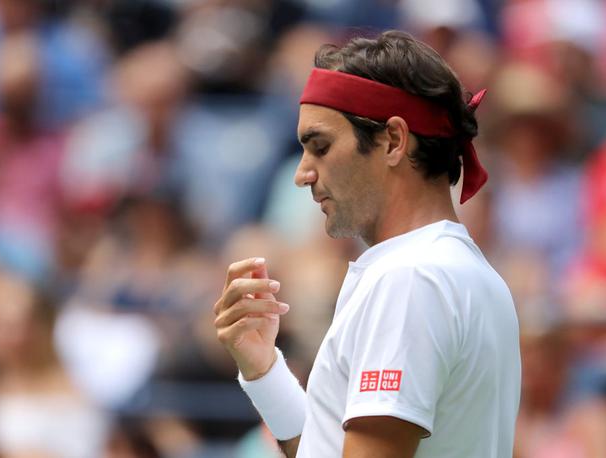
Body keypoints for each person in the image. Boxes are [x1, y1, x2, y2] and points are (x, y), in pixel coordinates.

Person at [213, 30, 521, 457]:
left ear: (393, 141)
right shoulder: (451, 269)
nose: (302, 174)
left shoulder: (411, 277)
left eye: (320, 147)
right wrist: (264, 371)